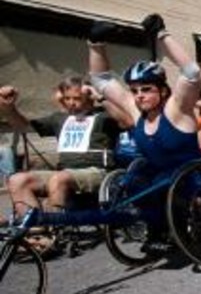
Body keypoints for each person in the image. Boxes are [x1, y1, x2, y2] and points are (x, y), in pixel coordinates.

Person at [87, 14, 201, 253]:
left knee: (159, 182)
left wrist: (162, 34)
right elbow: (101, 80)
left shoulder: (176, 108)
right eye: (135, 90)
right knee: (130, 181)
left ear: (162, 91)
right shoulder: (135, 108)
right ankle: (155, 228)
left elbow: (191, 72)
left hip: (193, 176)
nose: (139, 95)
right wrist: (95, 43)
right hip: (159, 175)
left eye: (147, 89)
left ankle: (167, 228)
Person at [1, 77, 122, 223]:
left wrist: (100, 97)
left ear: (89, 97)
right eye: (67, 98)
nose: (71, 103)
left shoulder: (104, 116)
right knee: (17, 180)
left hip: (97, 171)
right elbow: (24, 126)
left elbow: (125, 118)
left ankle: (53, 229)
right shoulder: (61, 118)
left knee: (59, 178)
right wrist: (8, 108)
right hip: (65, 172)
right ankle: (36, 232)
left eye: (77, 98)